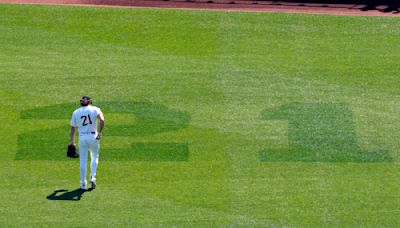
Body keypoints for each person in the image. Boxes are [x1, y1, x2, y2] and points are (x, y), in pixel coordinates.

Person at [69, 96, 104, 190]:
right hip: (93, 136)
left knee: (83, 160)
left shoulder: (76, 112)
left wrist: (72, 142)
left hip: (82, 137)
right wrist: (100, 132)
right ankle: (92, 177)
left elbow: (73, 128)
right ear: (90, 102)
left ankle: (82, 184)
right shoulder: (95, 109)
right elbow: (102, 120)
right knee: (94, 157)